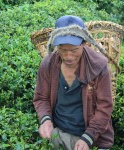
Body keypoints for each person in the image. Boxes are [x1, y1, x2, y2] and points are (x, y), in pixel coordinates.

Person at [33, 15, 114, 150]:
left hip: (92, 136)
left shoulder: (99, 66)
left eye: (74, 50)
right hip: (58, 132)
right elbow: (41, 98)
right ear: (56, 46)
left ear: (84, 44)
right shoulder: (48, 64)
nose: (68, 56)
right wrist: (45, 120)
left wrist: (88, 137)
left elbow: (104, 107)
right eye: (63, 50)